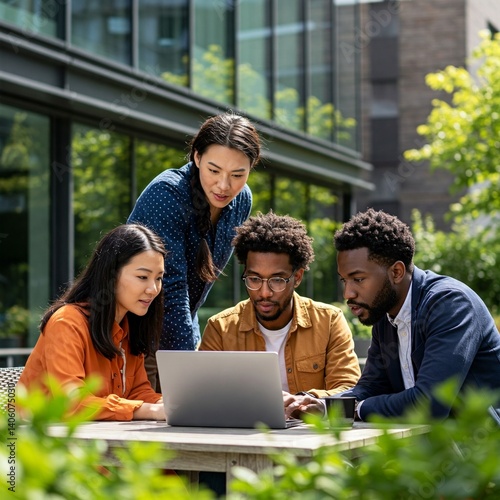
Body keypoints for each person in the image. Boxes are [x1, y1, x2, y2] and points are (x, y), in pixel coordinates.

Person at [285, 208, 500, 421]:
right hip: (425, 448)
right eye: (344, 280)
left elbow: (431, 403)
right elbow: (371, 387)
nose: (347, 293)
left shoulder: (450, 304)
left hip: (478, 450)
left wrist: (355, 409)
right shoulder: (385, 312)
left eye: (358, 279)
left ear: (396, 272)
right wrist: (321, 405)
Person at [128, 111, 262, 390]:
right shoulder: (167, 194)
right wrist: (188, 370)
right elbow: (171, 288)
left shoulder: (242, 200)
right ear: (197, 157)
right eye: (214, 171)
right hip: (135, 337)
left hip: (181, 328)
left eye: (238, 174)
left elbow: (196, 289)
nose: (224, 186)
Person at [199, 211, 361, 399]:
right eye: (254, 279)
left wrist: (302, 402)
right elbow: (205, 393)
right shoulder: (220, 328)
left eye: (277, 280)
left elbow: (347, 388)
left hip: (307, 427)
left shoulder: (328, 322)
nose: (264, 292)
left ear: (297, 277)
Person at [19, 224, 167, 421]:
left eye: (159, 278)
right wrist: (151, 410)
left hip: (95, 441)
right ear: (111, 275)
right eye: (142, 277)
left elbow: (138, 394)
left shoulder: (129, 326)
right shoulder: (67, 323)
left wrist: (169, 405)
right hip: (37, 444)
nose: (153, 289)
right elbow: (71, 402)